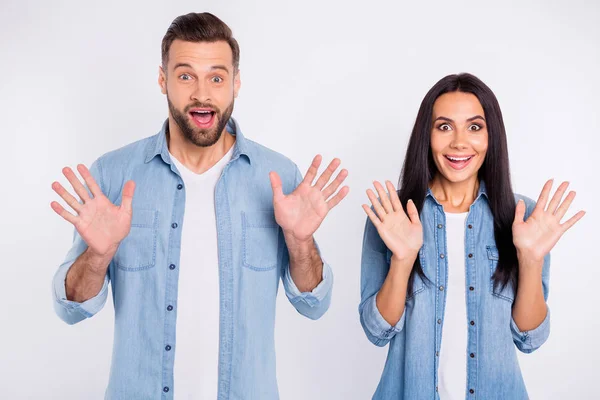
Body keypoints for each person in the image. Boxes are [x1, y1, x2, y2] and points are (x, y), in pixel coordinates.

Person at [50, 12, 348, 399]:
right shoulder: (112, 175)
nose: (202, 94)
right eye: (186, 75)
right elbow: (71, 309)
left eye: (217, 77)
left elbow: (313, 305)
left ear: (236, 83)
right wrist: (97, 256)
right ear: (163, 80)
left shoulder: (277, 177)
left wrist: (300, 243)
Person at [359, 73, 585, 399]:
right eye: (444, 126)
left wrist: (531, 259)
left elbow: (530, 338)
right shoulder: (392, 215)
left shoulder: (524, 218)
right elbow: (376, 331)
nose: (459, 142)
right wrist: (403, 259)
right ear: (427, 135)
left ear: (491, 137)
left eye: (475, 127)